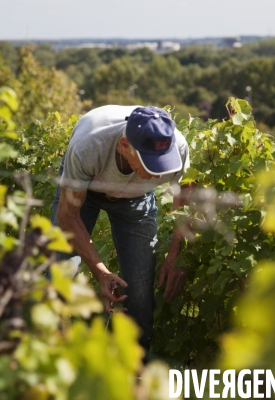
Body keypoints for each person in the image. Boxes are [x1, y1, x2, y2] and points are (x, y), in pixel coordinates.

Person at [51, 105, 191, 353]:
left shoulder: (177, 147)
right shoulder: (90, 145)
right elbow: (68, 214)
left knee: (139, 287)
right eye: (150, 163)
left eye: (162, 163)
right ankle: (51, 351)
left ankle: (131, 363)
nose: (156, 172)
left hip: (136, 200)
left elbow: (186, 200)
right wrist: (101, 272)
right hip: (86, 191)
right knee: (61, 272)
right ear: (125, 146)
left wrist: (174, 255)